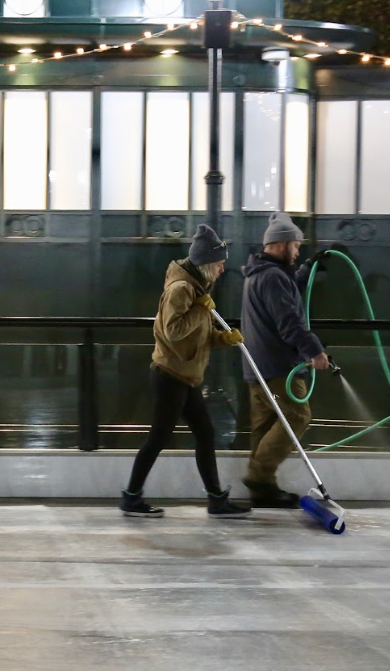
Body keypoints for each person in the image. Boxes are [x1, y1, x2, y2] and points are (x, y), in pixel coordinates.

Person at [119, 225, 252, 518]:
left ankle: (216, 499)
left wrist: (223, 339)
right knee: (160, 437)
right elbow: (174, 331)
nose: (222, 270)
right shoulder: (181, 289)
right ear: (206, 264)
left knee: (204, 434)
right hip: (170, 376)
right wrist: (201, 310)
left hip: (186, 376)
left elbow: (197, 337)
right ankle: (131, 496)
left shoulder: (197, 289)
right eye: (219, 264)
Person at [240, 212, 331, 507]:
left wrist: (305, 269)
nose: (297, 251)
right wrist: (314, 352)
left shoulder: (260, 275)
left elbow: (285, 294)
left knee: (265, 427)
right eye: (295, 245)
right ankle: (258, 477)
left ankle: (262, 492)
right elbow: (289, 321)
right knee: (297, 417)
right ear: (279, 244)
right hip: (278, 367)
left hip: (257, 367)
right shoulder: (273, 278)